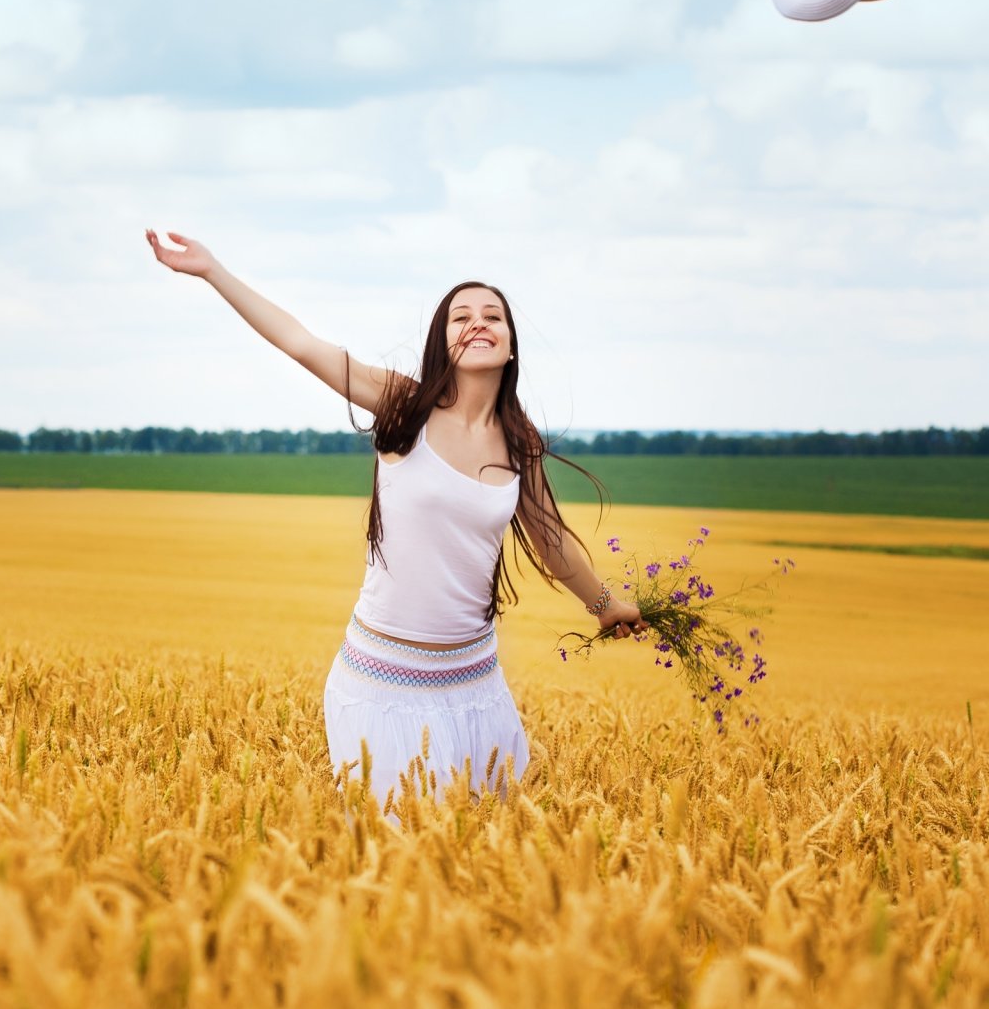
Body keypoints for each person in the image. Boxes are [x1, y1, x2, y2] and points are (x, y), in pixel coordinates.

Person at [145, 228, 645, 812]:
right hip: (383, 684)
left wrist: (606, 605)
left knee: (475, 857)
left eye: (493, 317)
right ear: (444, 342)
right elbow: (305, 345)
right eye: (461, 318)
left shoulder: (520, 441)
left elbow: (551, 539)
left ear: (510, 346)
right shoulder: (407, 405)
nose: (478, 323)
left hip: (476, 686)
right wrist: (212, 270)